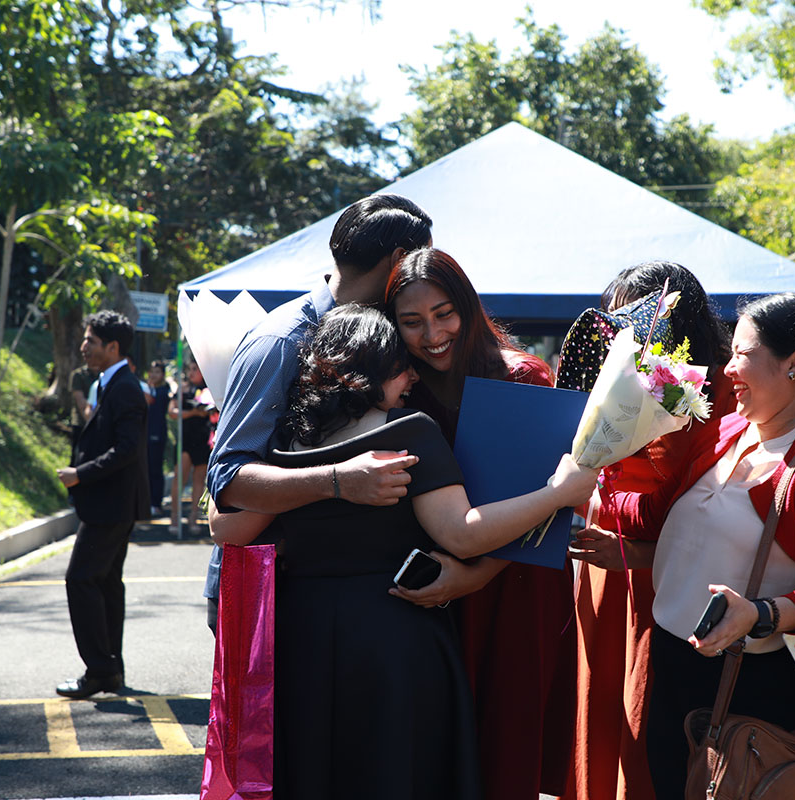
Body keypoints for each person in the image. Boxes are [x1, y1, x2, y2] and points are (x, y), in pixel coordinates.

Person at [212, 305, 598, 799]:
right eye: (400, 364)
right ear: (369, 370)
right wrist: (557, 495)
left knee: (313, 770)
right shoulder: (409, 435)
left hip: (301, 633)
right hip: (393, 637)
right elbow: (463, 535)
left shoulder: (287, 443)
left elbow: (230, 526)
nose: (414, 374)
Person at [589, 292, 795, 797]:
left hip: (753, 681)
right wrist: (585, 484)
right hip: (671, 664)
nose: (726, 370)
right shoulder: (727, 430)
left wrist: (761, 613)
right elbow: (653, 515)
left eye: (742, 355)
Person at [384, 246, 574, 800]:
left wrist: (474, 577)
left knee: (504, 743)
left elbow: (549, 505)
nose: (432, 334)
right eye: (412, 322)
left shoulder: (521, 377)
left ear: (467, 307)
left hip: (514, 583)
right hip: (428, 589)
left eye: (444, 313)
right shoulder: (401, 389)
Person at [203, 193, 434, 633]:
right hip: (268, 588)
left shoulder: (392, 332)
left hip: (356, 590)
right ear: (400, 258)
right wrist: (337, 481)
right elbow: (228, 479)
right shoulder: (281, 342)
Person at [560, 262, 733, 800]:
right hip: (603, 565)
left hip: (655, 564)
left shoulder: (717, 391)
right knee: (600, 696)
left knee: (647, 707)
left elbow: (700, 498)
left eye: (637, 314)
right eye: (618, 316)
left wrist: (631, 541)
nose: (625, 328)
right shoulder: (619, 373)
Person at [55, 310, 149, 699]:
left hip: (111, 506)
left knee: (81, 580)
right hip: (111, 504)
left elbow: (127, 449)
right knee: (107, 583)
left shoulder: (124, 387)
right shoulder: (112, 383)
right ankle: (110, 668)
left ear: (113, 347)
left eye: (90, 341)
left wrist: (82, 472)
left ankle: (98, 669)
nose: (83, 347)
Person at [169, 357, 212, 531]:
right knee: (180, 477)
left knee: (198, 480)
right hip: (186, 439)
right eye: (191, 368)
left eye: (197, 369)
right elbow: (172, 412)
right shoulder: (183, 389)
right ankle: (174, 516)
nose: (193, 372)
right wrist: (193, 412)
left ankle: (193, 517)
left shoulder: (208, 390)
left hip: (203, 439)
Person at [143, 360, 172, 518]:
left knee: (155, 469)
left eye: (157, 372)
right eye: (152, 371)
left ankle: (156, 503)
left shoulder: (164, 391)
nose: (153, 375)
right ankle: (146, 502)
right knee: (145, 468)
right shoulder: (144, 388)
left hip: (157, 433)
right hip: (143, 434)